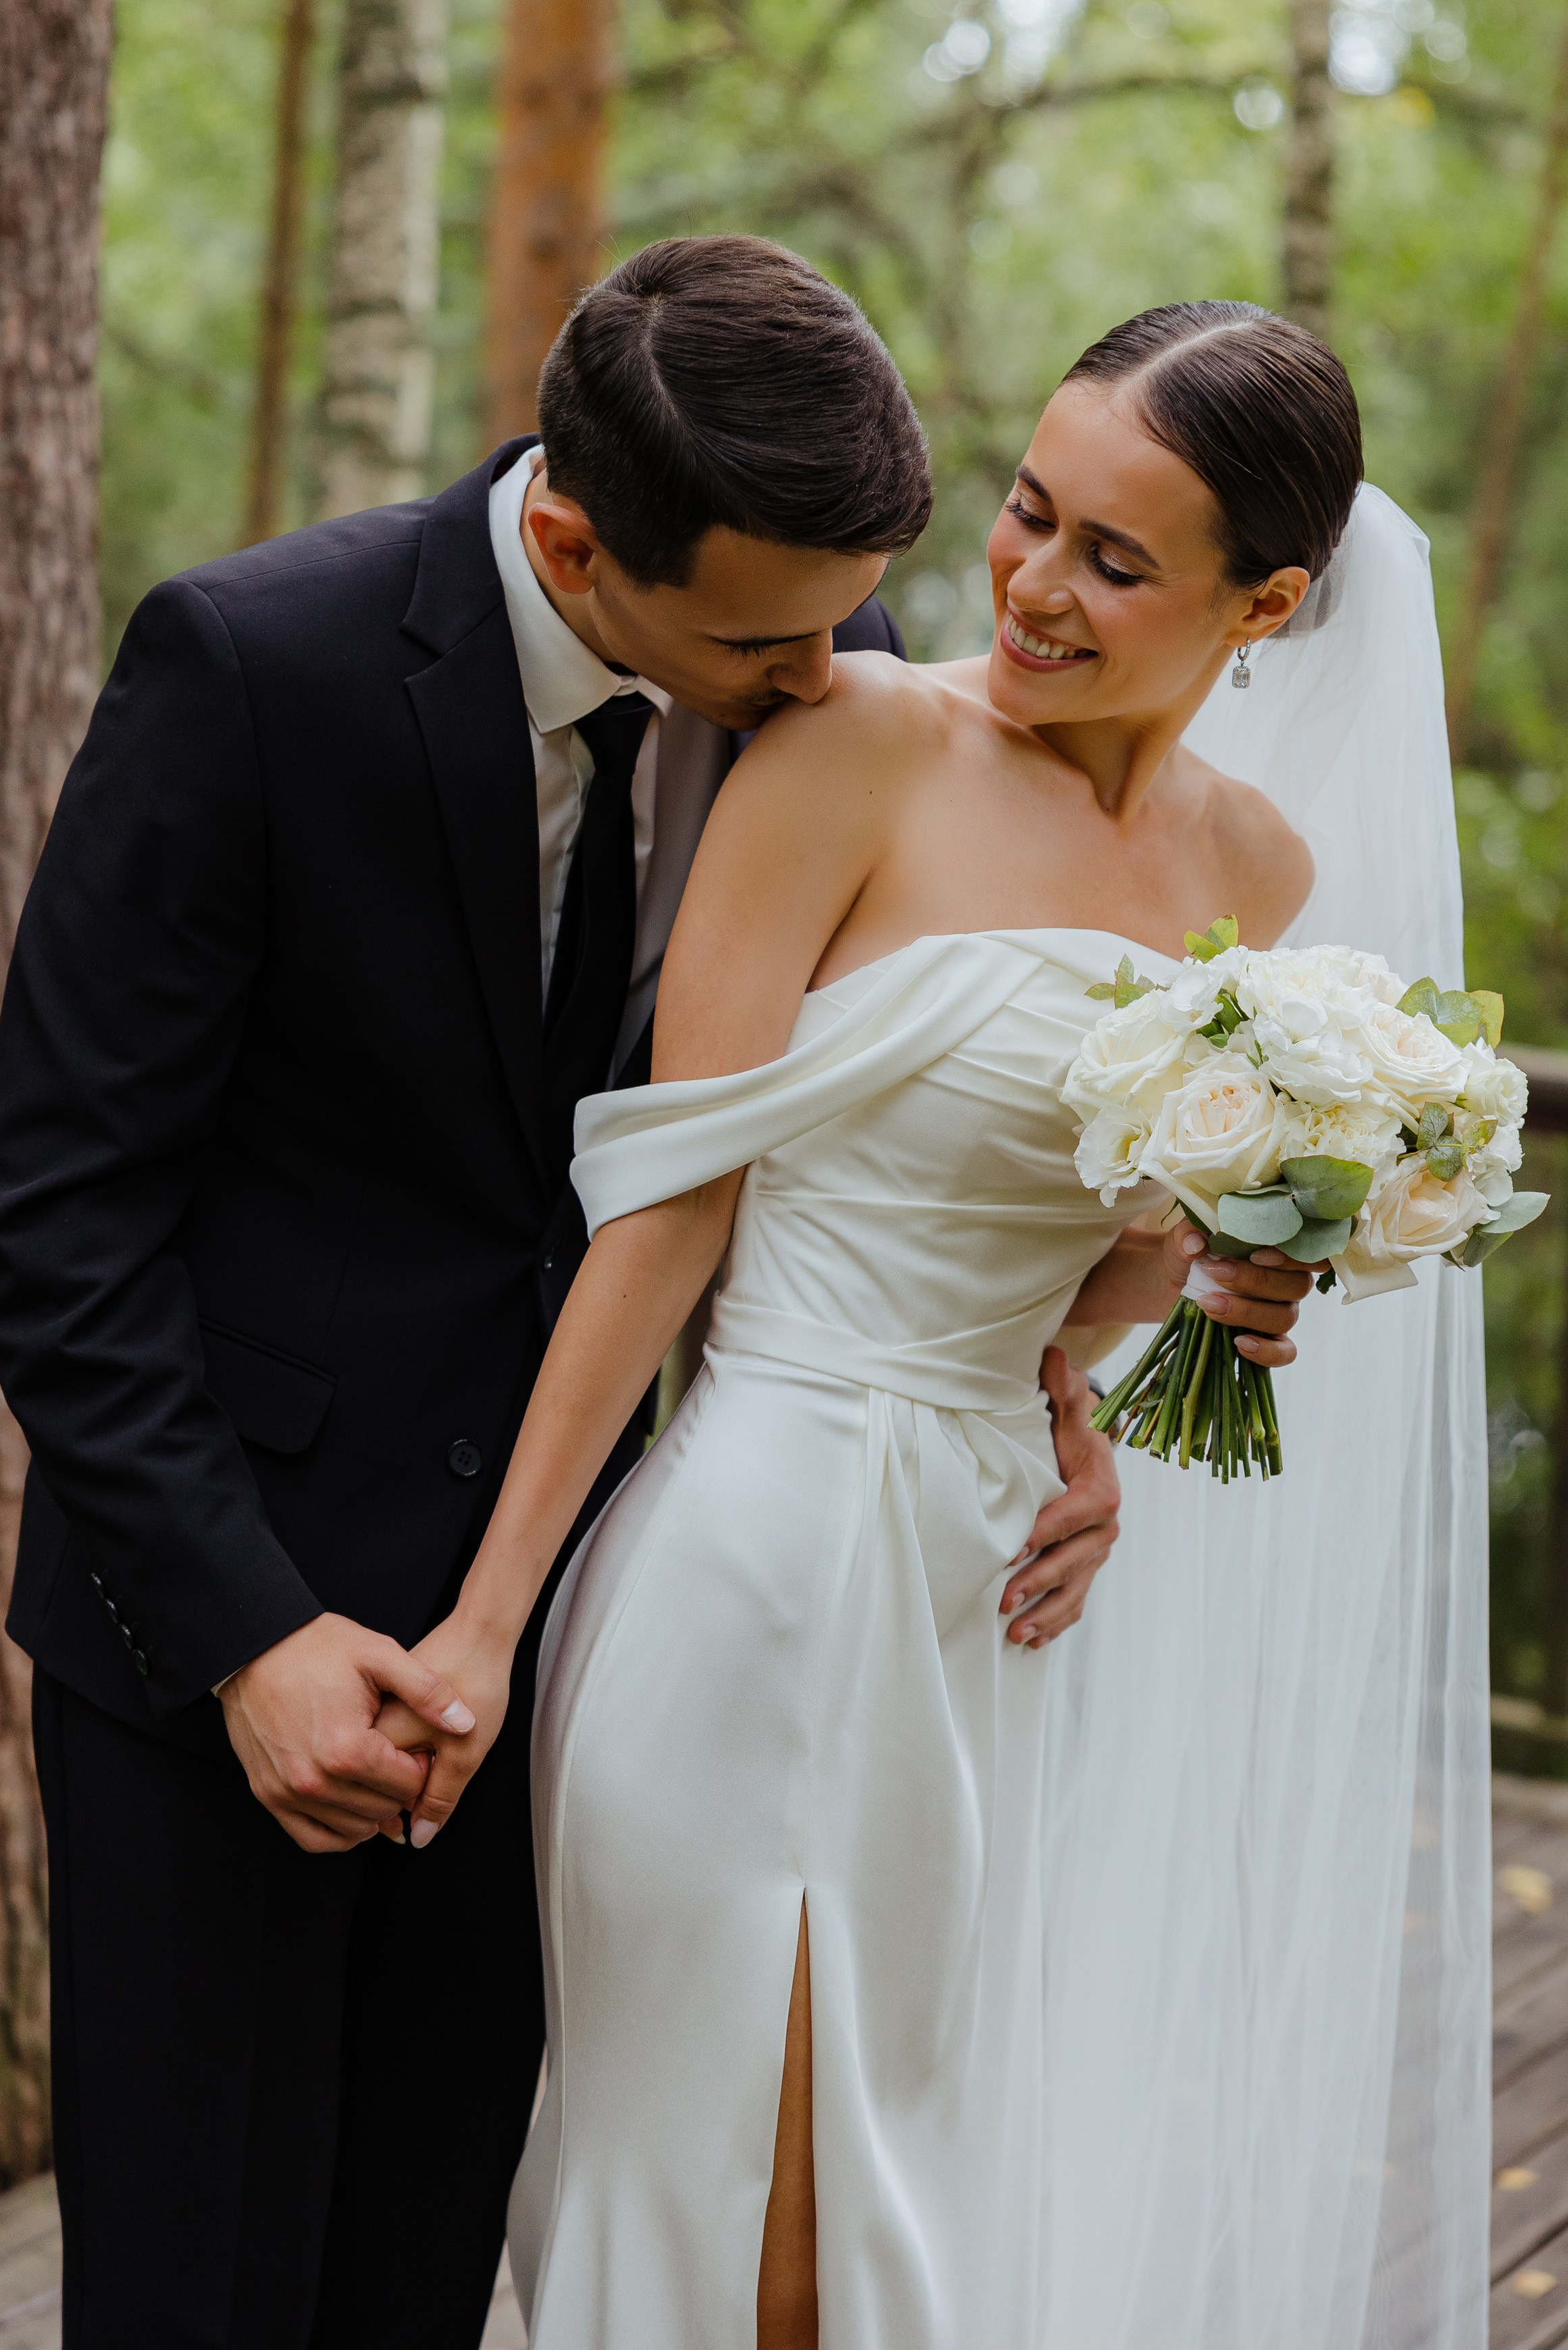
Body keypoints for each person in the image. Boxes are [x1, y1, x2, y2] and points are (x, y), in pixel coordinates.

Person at [0, 238, 1181, 2349]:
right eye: (765, 638)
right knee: (196, 2285)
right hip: (223, 1620)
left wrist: (1065, 1403)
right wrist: (249, 1637)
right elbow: (66, 1216)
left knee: (423, 2269)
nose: (831, 675)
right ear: (569, 536)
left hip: (574, 1635)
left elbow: (834, 1137)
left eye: (846, 618)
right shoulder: (256, 665)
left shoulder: (826, 657)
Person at [386, 302, 1480, 2349]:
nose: (1035, 586)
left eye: (1116, 559)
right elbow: (670, 1205)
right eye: (1032, 512)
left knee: (889, 2189)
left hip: (987, 1591)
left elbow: (1112, 1260)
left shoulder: (1263, 867)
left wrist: (1206, 1306)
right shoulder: (856, 751)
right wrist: (483, 1617)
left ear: (1270, 601)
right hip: (761, 1554)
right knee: (735, 2215)